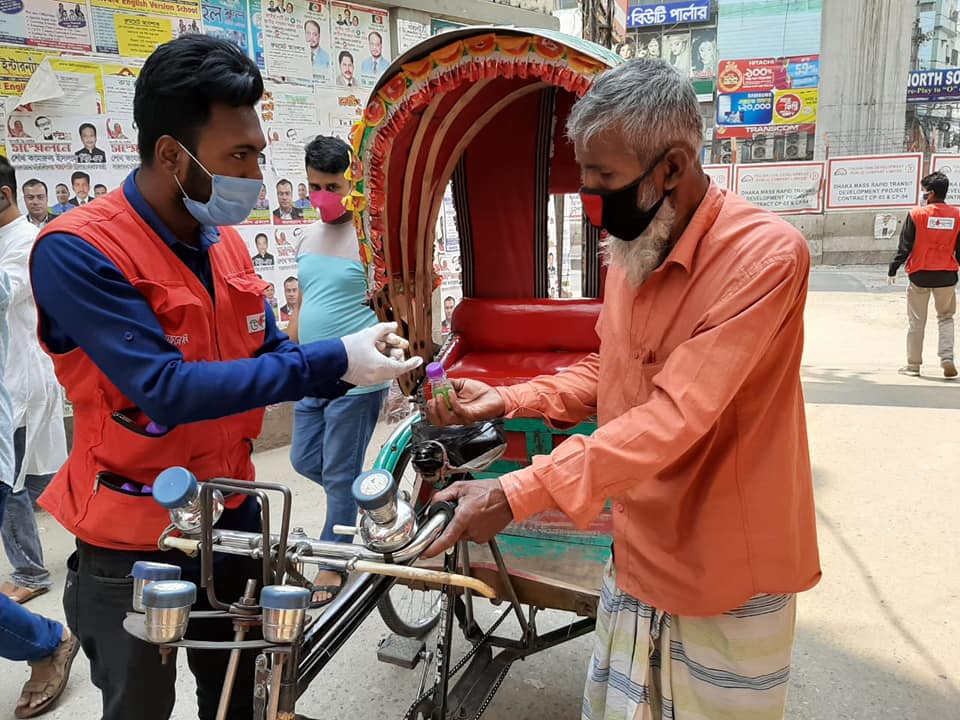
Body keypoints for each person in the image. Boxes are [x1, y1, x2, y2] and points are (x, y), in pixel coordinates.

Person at [29, 35, 420, 720]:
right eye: (239, 157)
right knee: (139, 705)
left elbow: (268, 348)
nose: (257, 177)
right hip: (133, 537)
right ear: (171, 155)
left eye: (259, 154)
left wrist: (359, 364)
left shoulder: (226, 243)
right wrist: (333, 360)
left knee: (239, 695)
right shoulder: (79, 250)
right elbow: (165, 390)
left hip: (235, 518)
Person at [422, 59, 820, 720]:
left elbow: (672, 418)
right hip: (636, 549)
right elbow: (610, 369)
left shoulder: (766, 257)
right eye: (586, 180)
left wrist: (515, 491)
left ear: (671, 166)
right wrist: (509, 399)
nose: (593, 201)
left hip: (724, 565)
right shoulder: (634, 250)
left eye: (604, 179)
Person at [286, 136, 391, 604]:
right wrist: (290, 341)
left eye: (332, 185)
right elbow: (305, 298)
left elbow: (397, 303)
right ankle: (367, 498)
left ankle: (333, 563)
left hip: (355, 379)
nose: (322, 195)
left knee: (337, 474)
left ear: (353, 183)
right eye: (314, 185)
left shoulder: (373, 241)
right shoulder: (308, 235)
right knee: (304, 460)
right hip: (311, 371)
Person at [0, 270, 79, 719]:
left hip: (21, 401)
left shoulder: (22, 249)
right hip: (20, 402)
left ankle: (49, 639)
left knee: (20, 491)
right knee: (25, 489)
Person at [0, 161, 68, 606]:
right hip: (12, 378)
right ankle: (109, 531)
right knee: (43, 476)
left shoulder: (26, 241)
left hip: (20, 380)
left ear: (4, 196)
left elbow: (7, 292)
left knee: (9, 481)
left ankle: (29, 569)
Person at [887, 171, 960, 378]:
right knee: (946, 317)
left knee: (917, 321)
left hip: (919, 274)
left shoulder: (916, 214)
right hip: (946, 275)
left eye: (924, 191)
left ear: (931, 193)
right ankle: (947, 358)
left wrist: (893, 268)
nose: (922, 194)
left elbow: (905, 246)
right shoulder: (957, 216)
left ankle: (913, 365)